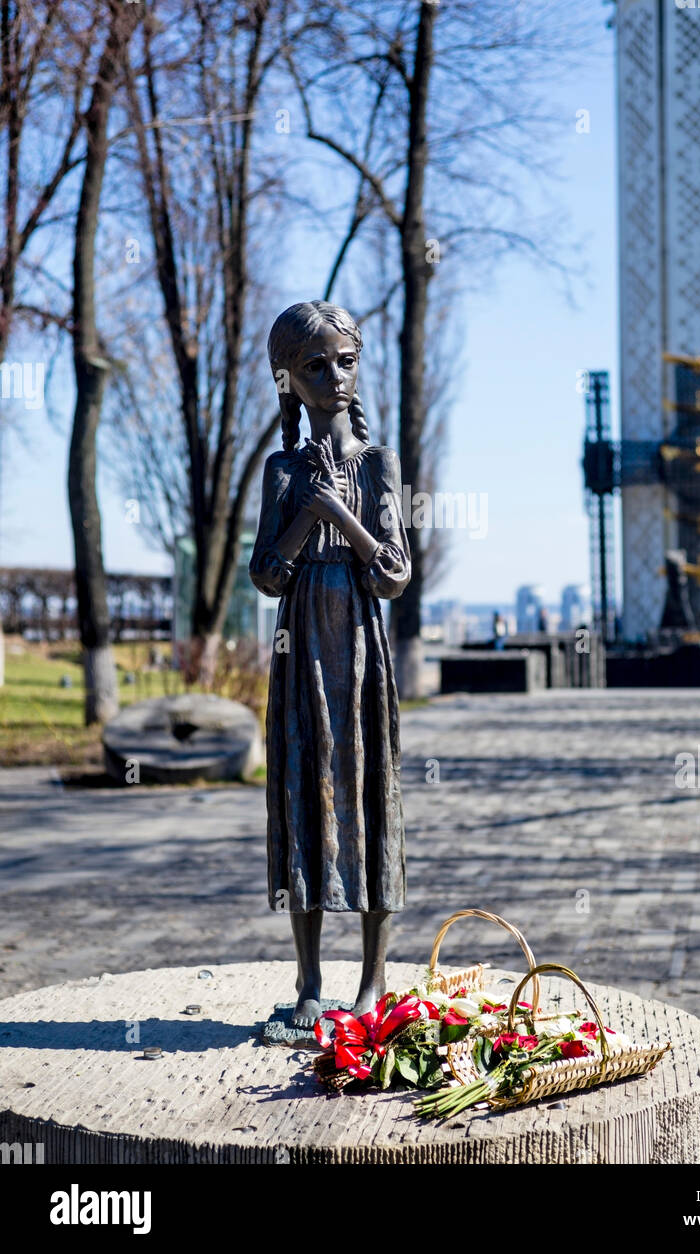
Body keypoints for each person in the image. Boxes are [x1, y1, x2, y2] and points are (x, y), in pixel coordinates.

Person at [249, 301, 411, 1023]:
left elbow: (394, 572)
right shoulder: (281, 468)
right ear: (290, 379)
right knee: (301, 795)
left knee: (372, 794)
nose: (335, 377)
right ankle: (309, 983)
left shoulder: (377, 464)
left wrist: (340, 515)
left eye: (345, 361)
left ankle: (373, 982)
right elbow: (265, 572)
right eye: (316, 366)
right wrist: (306, 512)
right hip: (300, 649)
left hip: (360, 648)